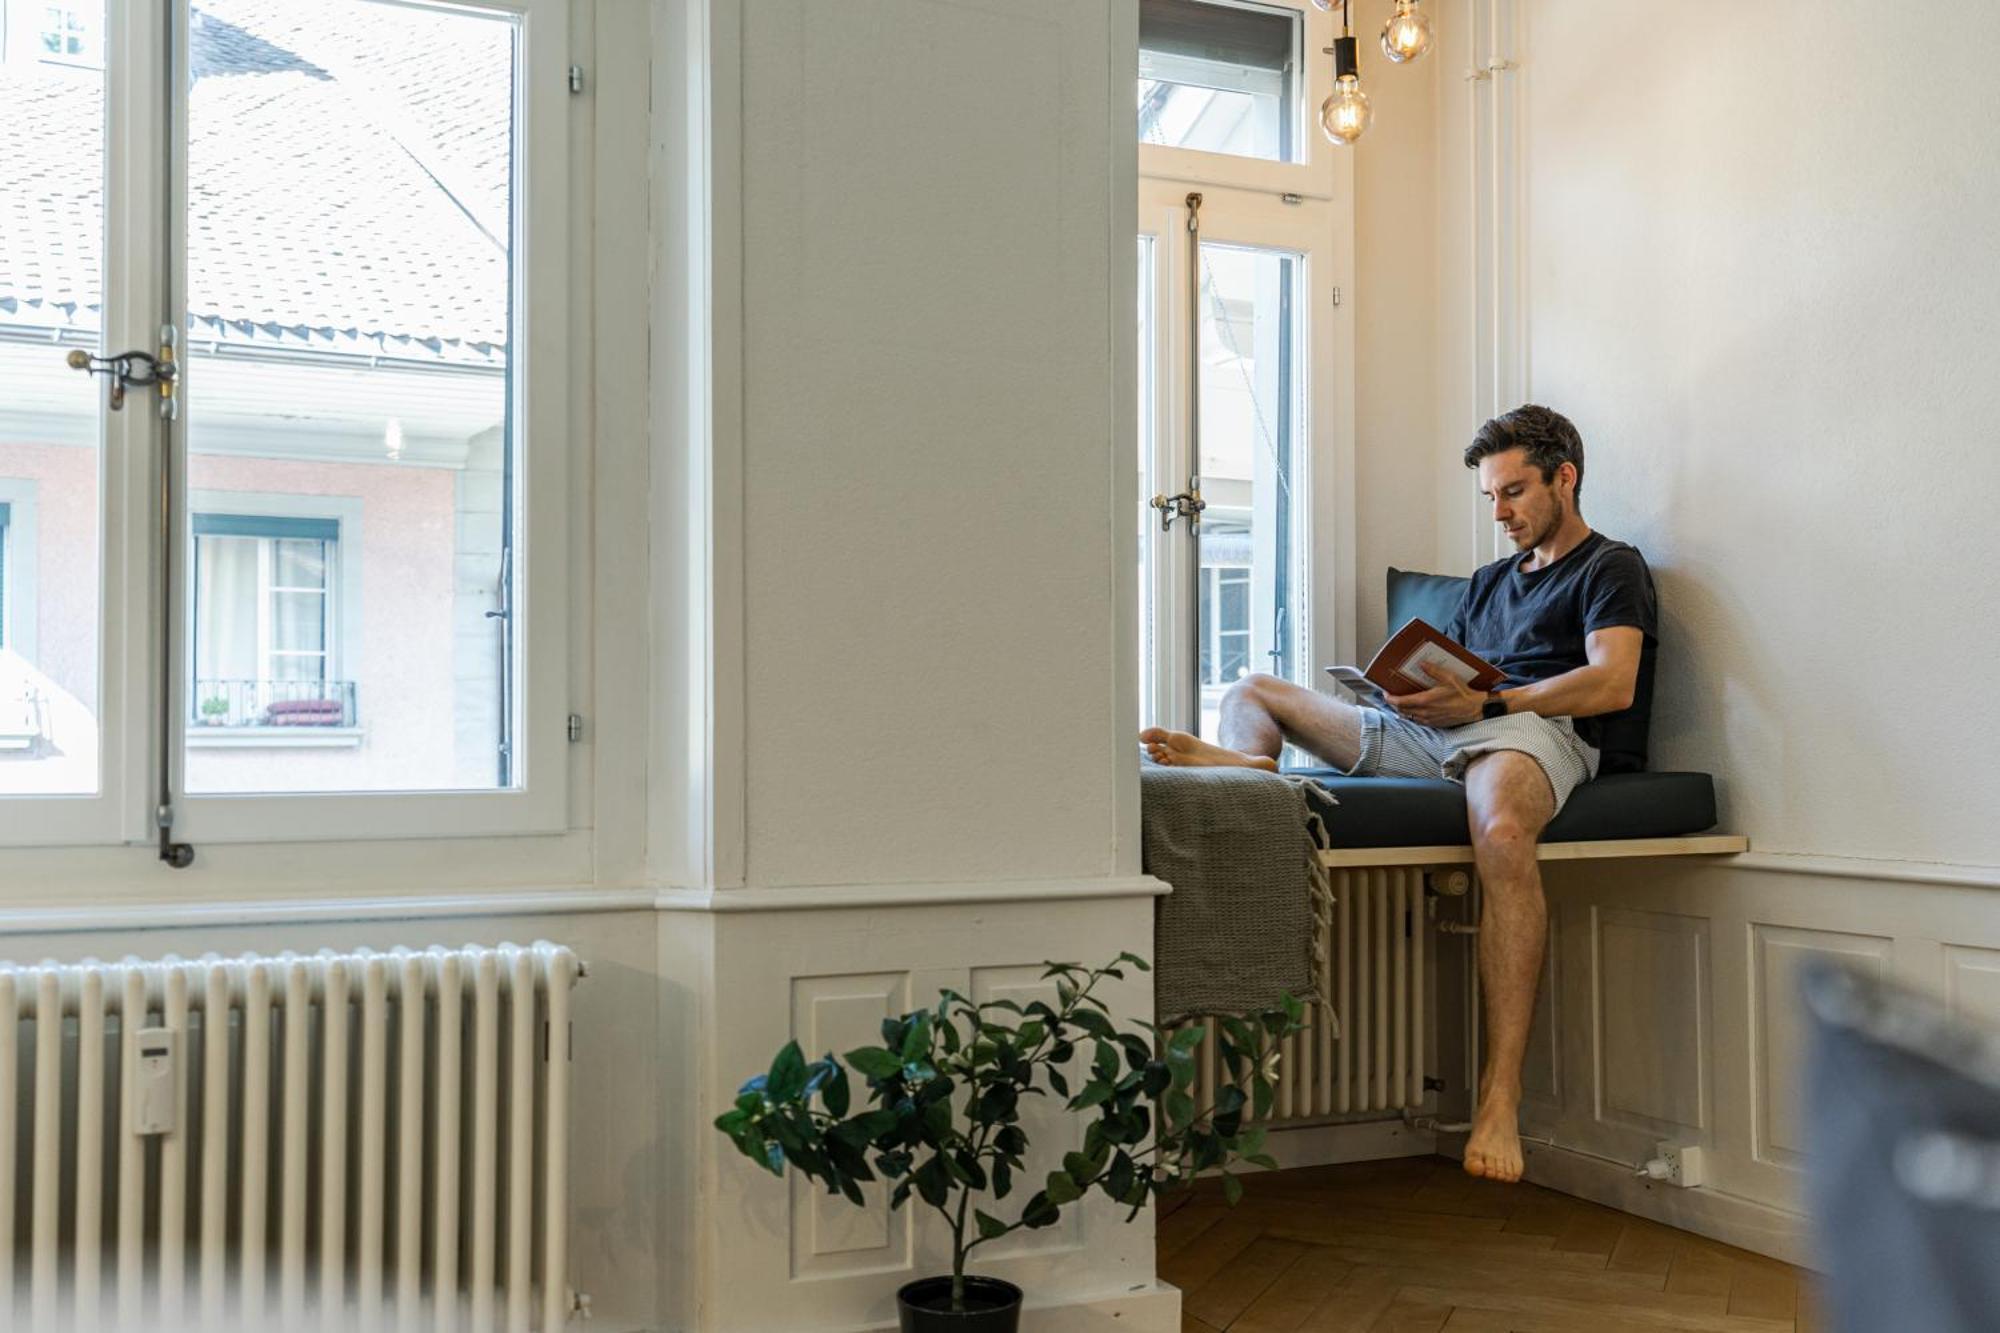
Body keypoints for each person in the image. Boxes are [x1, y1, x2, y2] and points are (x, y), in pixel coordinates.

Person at [1140, 404, 1657, 1184]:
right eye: (1489, 497)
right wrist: (1408, 697)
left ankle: (1500, 1096)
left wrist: (1488, 706)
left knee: (1505, 834)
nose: (1501, 511)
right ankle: (1256, 768)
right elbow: (1458, 681)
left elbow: (1613, 681)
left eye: (1514, 491)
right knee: (1256, 687)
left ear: (1565, 477)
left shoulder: (1611, 567)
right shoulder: (1488, 584)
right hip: (1441, 733)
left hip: (1534, 732)